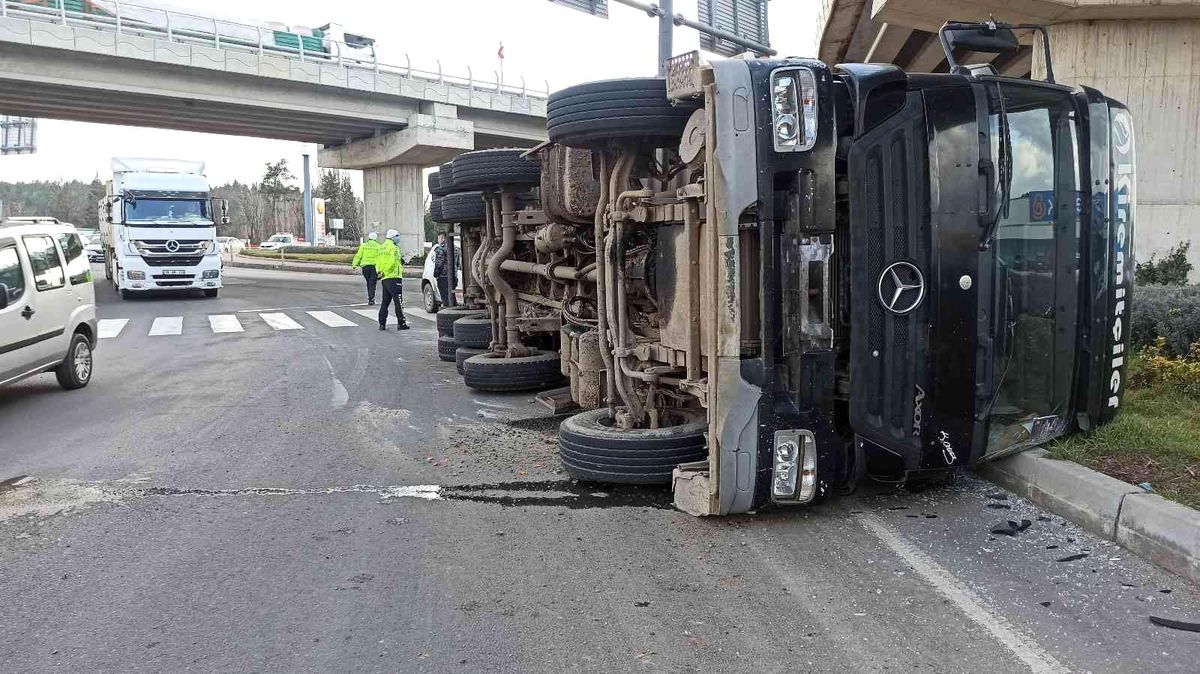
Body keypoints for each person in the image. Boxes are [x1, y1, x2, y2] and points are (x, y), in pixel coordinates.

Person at [375, 229, 410, 331]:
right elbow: (393, 262)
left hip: (385, 278)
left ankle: (382, 323)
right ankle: (401, 323)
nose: (398, 238)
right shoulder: (394, 248)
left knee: (385, 301)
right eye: (397, 236)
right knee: (398, 301)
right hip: (394, 277)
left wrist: (380, 272)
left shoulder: (381, 247)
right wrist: (386, 271)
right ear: (392, 237)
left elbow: (377, 262)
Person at [351, 232, 382, 305]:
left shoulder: (363, 246)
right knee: (372, 283)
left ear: (369, 238)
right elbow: (381, 258)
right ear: (375, 238)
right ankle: (371, 298)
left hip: (365, 267)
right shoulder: (379, 246)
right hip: (374, 267)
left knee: (369, 282)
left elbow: (358, 256)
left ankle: (371, 297)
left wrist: (354, 265)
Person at [432, 231, 457, 308]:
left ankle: (447, 311)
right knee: (452, 296)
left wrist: (436, 274)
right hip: (454, 276)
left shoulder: (440, 248)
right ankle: (453, 309)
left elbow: (439, 264)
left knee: (445, 297)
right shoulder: (455, 248)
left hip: (443, 276)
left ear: (442, 238)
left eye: (438, 238)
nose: (438, 240)